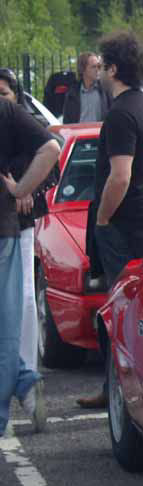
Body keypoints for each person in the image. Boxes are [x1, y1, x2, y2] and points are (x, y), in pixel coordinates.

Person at [76, 31, 143, 409]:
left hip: (120, 225)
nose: (98, 71)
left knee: (119, 310)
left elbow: (120, 176)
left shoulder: (119, 114)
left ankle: (119, 391)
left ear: (115, 69)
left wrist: (102, 218)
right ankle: (119, 386)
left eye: (102, 65)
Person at [0, 82, 61, 436]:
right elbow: (51, 148)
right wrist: (21, 188)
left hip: (7, 229)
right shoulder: (8, 112)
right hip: (6, 229)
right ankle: (23, 382)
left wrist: (22, 188)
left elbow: (52, 149)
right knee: (7, 325)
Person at [62, 52, 112, 124]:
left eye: (99, 66)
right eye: (93, 67)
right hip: (79, 134)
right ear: (82, 69)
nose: (97, 70)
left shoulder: (106, 90)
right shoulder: (72, 94)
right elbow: (67, 122)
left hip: (100, 133)